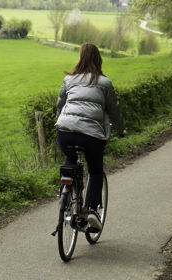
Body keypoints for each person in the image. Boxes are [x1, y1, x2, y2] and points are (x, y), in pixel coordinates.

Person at [55, 43, 125, 232]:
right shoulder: (104, 83)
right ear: (98, 59)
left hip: (65, 133)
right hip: (91, 136)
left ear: (80, 58)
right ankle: (93, 210)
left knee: (70, 162)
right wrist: (120, 130)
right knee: (95, 171)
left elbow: (60, 106)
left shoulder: (68, 80)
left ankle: (66, 195)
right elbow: (114, 111)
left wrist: (62, 123)